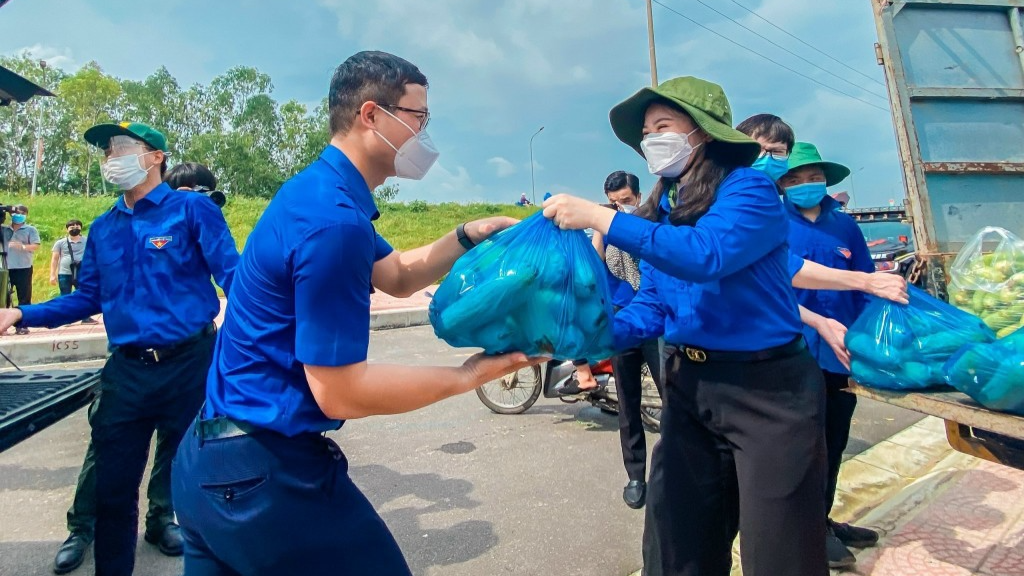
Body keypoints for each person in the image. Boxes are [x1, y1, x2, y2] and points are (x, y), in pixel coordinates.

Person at [172, 50, 535, 576]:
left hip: (210, 465)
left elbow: (399, 274)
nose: (424, 136)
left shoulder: (322, 193)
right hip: (264, 479)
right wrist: (468, 375)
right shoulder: (334, 223)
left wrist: (467, 234)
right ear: (371, 115)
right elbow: (339, 390)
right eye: (419, 118)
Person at [544, 76, 834, 576]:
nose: (651, 140)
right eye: (646, 132)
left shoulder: (751, 191)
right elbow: (652, 307)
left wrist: (600, 217)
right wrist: (580, 337)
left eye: (663, 125)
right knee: (675, 545)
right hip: (689, 390)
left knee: (779, 553)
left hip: (767, 394)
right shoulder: (663, 208)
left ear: (703, 132)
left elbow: (707, 256)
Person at [0, 121, 239, 576]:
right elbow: (87, 297)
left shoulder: (191, 210)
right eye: (107, 151)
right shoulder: (104, 227)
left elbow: (235, 278)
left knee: (196, 477)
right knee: (112, 489)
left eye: (122, 147)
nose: (112, 157)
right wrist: (21, 314)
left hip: (190, 363)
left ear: (155, 157)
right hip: (127, 372)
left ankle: (169, 527)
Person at [780, 142, 880, 568]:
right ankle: (806, 531)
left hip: (843, 353)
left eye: (813, 178)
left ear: (826, 181)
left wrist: (872, 342)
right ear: (782, 185)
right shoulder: (773, 225)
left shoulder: (846, 227)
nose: (806, 185)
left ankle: (823, 519)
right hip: (793, 351)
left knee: (835, 440)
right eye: (795, 179)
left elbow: (867, 283)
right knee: (805, 446)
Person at [559, 170, 664, 510]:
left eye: (627, 201)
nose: (621, 208)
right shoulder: (604, 228)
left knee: (673, 399)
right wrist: (600, 233)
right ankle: (636, 475)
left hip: (656, 322)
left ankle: (678, 470)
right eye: (614, 202)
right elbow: (592, 265)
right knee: (627, 402)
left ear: (638, 196)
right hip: (621, 322)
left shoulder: (652, 225)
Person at [49, 219, 98, 324]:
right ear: (67, 229)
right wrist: (52, 274)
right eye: (71, 227)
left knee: (84, 295)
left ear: (81, 228)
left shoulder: (87, 240)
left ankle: (85, 317)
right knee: (65, 295)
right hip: (64, 273)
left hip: (83, 272)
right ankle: (66, 318)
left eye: (77, 227)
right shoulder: (60, 243)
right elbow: (55, 258)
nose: (74, 229)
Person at [5, 204, 40, 333]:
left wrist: (23, 247)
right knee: (4, 298)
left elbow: (36, 246)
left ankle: (22, 325)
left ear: (26, 215)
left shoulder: (30, 229)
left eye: (22, 213)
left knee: (24, 296)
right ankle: (4, 325)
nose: (18, 216)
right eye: (16, 213)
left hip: (23, 267)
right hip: (5, 268)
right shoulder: (4, 229)